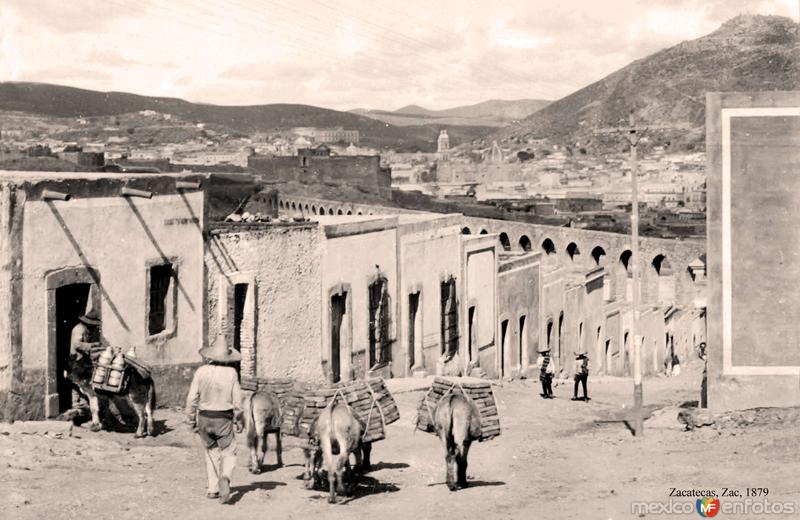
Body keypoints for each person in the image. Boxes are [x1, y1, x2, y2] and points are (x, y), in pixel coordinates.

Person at [186, 336, 244, 504]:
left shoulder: (201, 371)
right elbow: (238, 402)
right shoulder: (232, 373)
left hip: (204, 417)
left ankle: (212, 489)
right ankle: (225, 477)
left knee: (211, 452)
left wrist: (191, 420)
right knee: (229, 451)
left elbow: (191, 399)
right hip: (223, 418)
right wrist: (239, 420)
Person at [68, 309, 102, 413]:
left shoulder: (86, 329)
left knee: (81, 386)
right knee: (79, 384)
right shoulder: (79, 329)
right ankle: (77, 408)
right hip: (76, 361)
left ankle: (81, 408)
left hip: (82, 361)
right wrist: (92, 346)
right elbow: (77, 344)